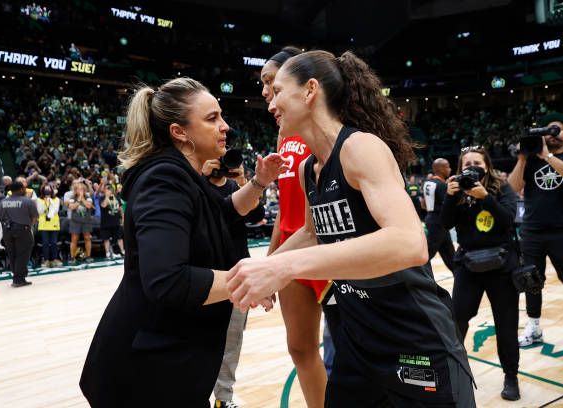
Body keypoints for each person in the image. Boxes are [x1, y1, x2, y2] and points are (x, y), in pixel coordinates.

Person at [228, 50, 475, 407]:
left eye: (278, 90)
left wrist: (284, 267)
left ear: (310, 90)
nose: (270, 103)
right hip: (357, 338)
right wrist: (267, 268)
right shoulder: (308, 168)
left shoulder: (360, 147)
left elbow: (410, 243)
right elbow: (312, 233)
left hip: (412, 335)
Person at [80, 77, 285, 407]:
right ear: (179, 132)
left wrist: (259, 183)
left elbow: (222, 213)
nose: (225, 126)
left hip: (166, 361)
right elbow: (168, 279)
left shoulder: (185, 176)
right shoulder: (164, 179)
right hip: (144, 372)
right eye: (212, 118)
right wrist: (248, 281)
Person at [261, 46, 337, 407]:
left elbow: (314, 222)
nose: (266, 93)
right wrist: (271, 257)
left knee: (347, 349)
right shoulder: (283, 133)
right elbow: (284, 208)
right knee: (300, 348)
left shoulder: (323, 130)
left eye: (271, 84)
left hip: (325, 248)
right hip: (292, 249)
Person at [508, 112, 563, 351]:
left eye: (558, 129)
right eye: (548, 130)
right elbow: (513, 188)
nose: (553, 134)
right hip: (532, 232)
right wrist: (522, 158)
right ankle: (534, 326)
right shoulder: (530, 160)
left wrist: (547, 156)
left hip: (562, 232)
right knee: (531, 282)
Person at [441, 146, 521, 401]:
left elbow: (508, 219)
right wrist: (449, 197)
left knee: (506, 323)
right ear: (460, 167)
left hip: (502, 265)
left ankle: (511, 376)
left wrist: (485, 197)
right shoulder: (456, 188)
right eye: (467, 163)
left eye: (477, 162)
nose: (472, 167)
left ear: (487, 165)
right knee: (457, 320)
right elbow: (445, 223)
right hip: (468, 265)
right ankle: (453, 371)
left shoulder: (502, 186)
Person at [201, 159, 265, 408]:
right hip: (207, 276)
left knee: (232, 341)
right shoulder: (197, 187)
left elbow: (258, 215)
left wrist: (243, 183)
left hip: (238, 273)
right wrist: (202, 177)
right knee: (202, 341)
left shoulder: (235, 188)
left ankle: (223, 398)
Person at [0, 181, 38, 287]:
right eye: (24, 188)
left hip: (6, 230)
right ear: (21, 189)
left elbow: (0, 217)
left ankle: (17, 277)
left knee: (12, 254)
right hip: (22, 229)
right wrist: (28, 226)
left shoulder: (2, 202)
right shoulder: (27, 201)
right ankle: (18, 280)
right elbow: (34, 217)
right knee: (22, 254)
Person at [422, 158, 455, 272]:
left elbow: (423, 205)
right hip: (438, 222)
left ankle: (460, 277)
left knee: (450, 256)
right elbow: (448, 206)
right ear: (441, 169)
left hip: (432, 219)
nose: (450, 169)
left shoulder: (427, 182)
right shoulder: (442, 185)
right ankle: (415, 275)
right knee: (427, 254)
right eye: (447, 167)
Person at [67, 182, 94, 263]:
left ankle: (88, 256)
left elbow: (89, 206)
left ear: (84, 190)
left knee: (87, 238)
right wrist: (79, 200)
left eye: (82, 189)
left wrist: (82, 199)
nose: (80, 190)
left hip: (86, 221)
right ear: (76, 190)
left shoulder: (88, 197)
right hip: (75, 221)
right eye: (78, 189)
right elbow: (71, 207)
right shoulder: (72, 197)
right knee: (74, 239)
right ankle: (72, 257)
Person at [37, 184, 62, 268]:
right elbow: (40, 211)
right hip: (43, 224)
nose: (47, 191)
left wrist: (50, 201)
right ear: (42, 191)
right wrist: (45, 203)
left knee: (54, 242)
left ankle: (55, 259)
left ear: (51, 190)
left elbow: (55, 210)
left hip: (54, 223)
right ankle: (46, 260)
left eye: (49, 189)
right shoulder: (39, 200)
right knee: (45, 243)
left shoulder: (56, 199)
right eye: (45, 189)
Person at [99, 185, 124, 259]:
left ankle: (122, 251)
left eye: (109, 189)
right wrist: (107, 196)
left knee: (119, 237)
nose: (108, 190)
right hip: (106, 222)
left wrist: (123, 218)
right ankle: (107, 252)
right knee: (106, 238)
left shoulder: (117, 198)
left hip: (116, 221)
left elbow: (120, 209)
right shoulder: (102, 198)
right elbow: (103, 205)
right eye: (107, 189)